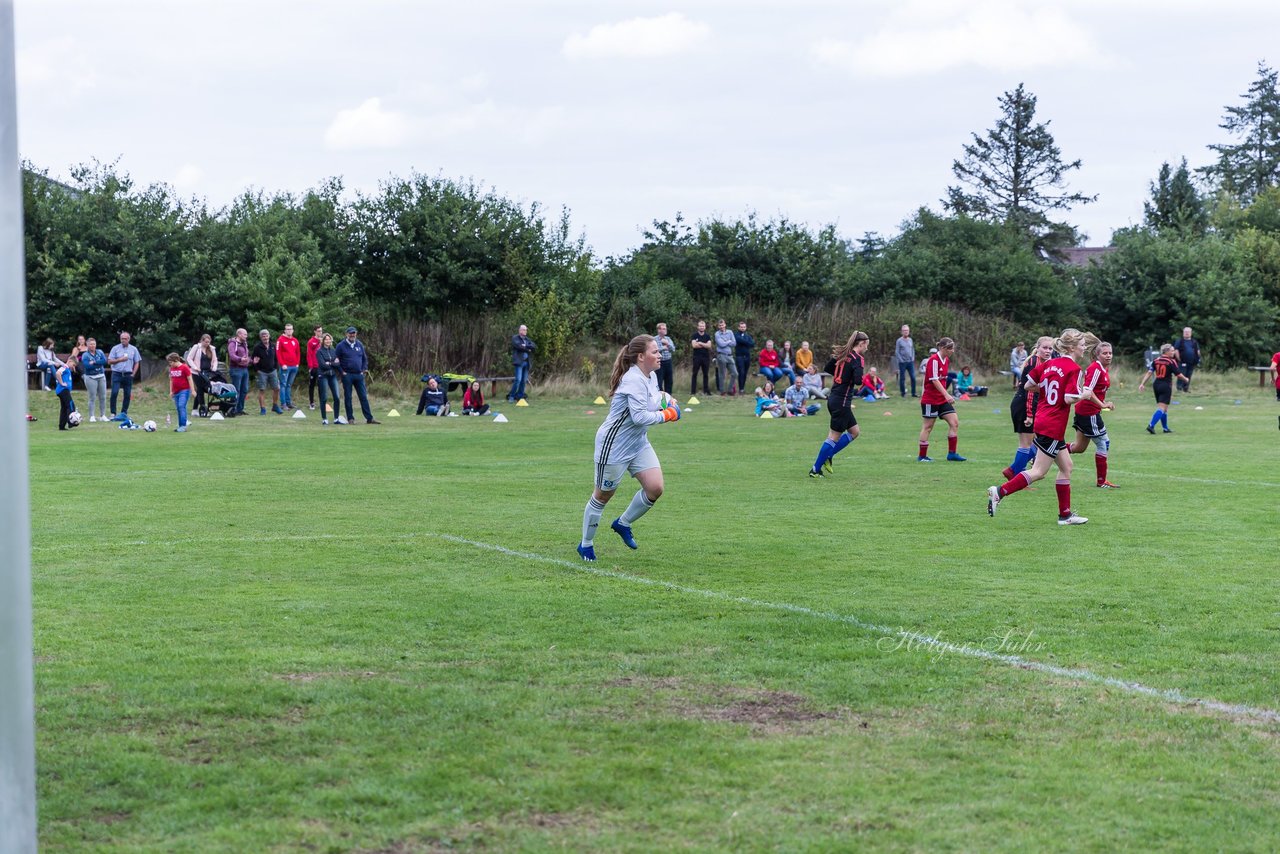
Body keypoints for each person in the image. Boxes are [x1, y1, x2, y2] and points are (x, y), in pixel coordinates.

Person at [577, 334, 681, 562]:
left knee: (655, 488)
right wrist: (668, 414)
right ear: (641, 356)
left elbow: (655, 397)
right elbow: (640, 416)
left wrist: (668, 399)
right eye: (655, 351)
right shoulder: (633, 379)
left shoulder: (651, 375)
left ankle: (622, 523)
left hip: (638, 443)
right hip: (614, 446)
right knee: (603, 496)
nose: (660, 355)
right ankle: (585, 545)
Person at [987, 329, 1104, 526]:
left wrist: (1049, 387)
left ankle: (1065, 515)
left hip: (1044, 420)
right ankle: (999, 492)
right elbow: (1068, 398)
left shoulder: (1049, 363)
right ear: (1073, 347)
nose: (1085, 348)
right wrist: (1084, 394)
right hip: (1052, 424)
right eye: (1082, 345)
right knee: (1039, 471)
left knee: (1066, 467)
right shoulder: (1074, 369)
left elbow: (1028, 385)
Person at [808, 330, 870, 478]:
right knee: (833, 437)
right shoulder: (857, 359)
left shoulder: (843, 355)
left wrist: (842, 375)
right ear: (861, 344)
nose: (867, 348)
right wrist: (858, 373)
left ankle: (828, 456)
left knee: (854, 432)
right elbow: (858, 380)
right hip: (842, 402)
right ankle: (815, 469)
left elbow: (828, 368)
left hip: (834, 398)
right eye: (867, 345)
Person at [1001, 336, 1053, 481]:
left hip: (1027, 405)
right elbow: (1029, 391)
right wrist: (1030, 415)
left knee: (1038, 440)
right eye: (1045, 348)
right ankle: (1015, 474)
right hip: (1024, 405)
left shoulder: (1043, 362)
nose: (1048, 351)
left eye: (1050, 348)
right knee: (1027, 443)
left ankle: (1015, 470)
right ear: (1038, 347)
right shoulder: (1034, 362)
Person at [1068, 341, 1118, 488]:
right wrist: (1102, 404)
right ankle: (1101, 482)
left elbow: (1096, 392)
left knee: (1078, 448)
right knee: (1104, 443)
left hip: (1086, 411)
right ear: (1097, 354)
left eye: (1110, 353)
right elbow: (1087, 390)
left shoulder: (1102, 368)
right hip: (1088, 413)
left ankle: (1046, 450)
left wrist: (1103, 402)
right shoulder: (1096, 368)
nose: (1108, 355)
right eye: (1105, 353)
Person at [917, 337, 965, 462]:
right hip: (930, 400)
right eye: (950, 348)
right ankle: (922, 456)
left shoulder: (946, 360)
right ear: (943, 348)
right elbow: (934, 380)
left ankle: (952, 454)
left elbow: (942, 380)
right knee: (928, 427)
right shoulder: (933, 360)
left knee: (954, 423)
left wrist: (945, 395)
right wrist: (947, 395)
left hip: (941, 400)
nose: (953, 351)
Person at [1138, 344, 1188, 434]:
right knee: (1161, 408)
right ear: (1166, 351)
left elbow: (1149, 373)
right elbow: (1178, 374)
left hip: (1156, 384)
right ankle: (1151, 425)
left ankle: (1165, 428)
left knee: (1164, 408)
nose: (1173, 352)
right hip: (1165, 385)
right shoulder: (1171, 361)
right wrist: (1186, 379)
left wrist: (1142, 384)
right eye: (1172, 351)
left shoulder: (1156, 360)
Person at [336, 326, 380, 424]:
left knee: (363, 396)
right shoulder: (340, 346)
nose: (352, 335)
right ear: (346, 334)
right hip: (347, 375)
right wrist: (342, 371)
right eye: (350, 333)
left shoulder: (359, 344)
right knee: (348, 397)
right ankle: (350, 418)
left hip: (358, 375)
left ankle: (369, 418)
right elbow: (336, 361)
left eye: (354, 333)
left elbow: (364, 358)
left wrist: (364, 369)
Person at [107, 331, 141, 420]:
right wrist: (120, 359)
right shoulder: (115, 348)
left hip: (128, 374)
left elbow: (137, 362)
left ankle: (124, 413)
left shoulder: (134, 349)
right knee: (114, 393)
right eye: (122, 338)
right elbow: (109, 361)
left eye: (125, 339)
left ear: (129, 339)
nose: (123, 340)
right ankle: (113, 413)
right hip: (116, 374)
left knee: (127, 394)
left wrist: (133, 373)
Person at [185, 334, 220, 418]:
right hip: (197, 372)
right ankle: (203, 407)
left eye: (209, 342)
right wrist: (195, 367)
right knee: (200, 388)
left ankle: (194, 409)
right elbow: (189, 358)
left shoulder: (212, 349)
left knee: (202, 389)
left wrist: (214, 368)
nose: (207, 343)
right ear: (202, 340)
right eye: (206, 342)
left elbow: (215, 360)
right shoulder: (196, 347)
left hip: (207, 372)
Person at [251, 329, 283, 415]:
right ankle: (263, 409)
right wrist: (257, 370)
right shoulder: (257, 347)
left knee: (277, 388)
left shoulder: (273, 346)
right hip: (262, 372)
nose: (265, 337)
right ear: (261, 337)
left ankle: (275, 406)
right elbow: (254, 360)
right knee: (262, 390)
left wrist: (276, 368)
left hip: (273, 371)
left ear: (269, 336)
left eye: (266, 335)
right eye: (263, 336)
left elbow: (276, 358)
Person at [314, 333, 341, 424]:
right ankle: (324, 419)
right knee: (324, 398)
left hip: (332, 375)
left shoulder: (334, 350)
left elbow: (338, 363)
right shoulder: (319, 351)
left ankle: (336, 419)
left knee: (337, 397)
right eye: (326, 339)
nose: (328, 341)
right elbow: (322, 365)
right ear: (323, 341)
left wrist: (329, 363)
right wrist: (332, 363)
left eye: (329, 339)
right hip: (323, 376)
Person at [79, 337, 108, 422]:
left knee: (103, 397)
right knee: (92, 397)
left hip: (101, 376)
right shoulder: (85, 355)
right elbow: (87, 366)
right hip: (90, 377)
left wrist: (95, 362)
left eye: (94, 344)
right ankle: (92, 416)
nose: (92, 346)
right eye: (91, 344)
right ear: (87, 345)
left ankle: (103, 415)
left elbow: (104, 361)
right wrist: (98, 364)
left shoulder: (100, 352)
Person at [166, 352, 194, 433]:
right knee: (178, 408)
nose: (170, 364)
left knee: (181, 406)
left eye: (171, 362)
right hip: (176, 392)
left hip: (184, 391)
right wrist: (171, 391)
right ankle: (180, 426)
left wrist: (193, 390)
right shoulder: (172, 369)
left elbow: (190, 379)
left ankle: (183, 426)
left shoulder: (184, 368)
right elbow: (171, 380)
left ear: (176, 360)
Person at [508, 324, 536, 402]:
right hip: (519, 362)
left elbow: (534, 346)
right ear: (520, 330)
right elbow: (518, 346)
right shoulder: (515, 338)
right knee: (518, 380)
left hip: (526, 363)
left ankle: (520, 397)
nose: (525, 331)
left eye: (526, 330)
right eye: (523, 330)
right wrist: (528, 349)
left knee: (524, 381)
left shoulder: (527, 339)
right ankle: (511, 396)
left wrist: (526, 346)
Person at [277, 323, 301, 410]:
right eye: (287, 329)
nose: (289, 331)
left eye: (290, 329)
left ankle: (289, 402)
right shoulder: (280, 340)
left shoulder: (295, 340)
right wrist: (282, 364)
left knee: (289, 385)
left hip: (294, 366)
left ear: (293, 330)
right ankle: (283, 404)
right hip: (285, 367)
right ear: (285, 330)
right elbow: (278, 353)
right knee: (283, 384)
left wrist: (297, 363)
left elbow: (298, 352)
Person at [227, 328, 251, 415]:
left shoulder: (244, 344)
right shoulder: (232, 344)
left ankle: (240, 409)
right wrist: (240, 359)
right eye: (245, 334)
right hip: (236, 369)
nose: (246, 336)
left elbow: (246, 356)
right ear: (239, 334)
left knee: (244, 389)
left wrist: (251, 361)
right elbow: (232, 355)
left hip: (245, 369)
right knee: (236, 389)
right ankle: (233, 408)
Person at [713, 319, 737, 395]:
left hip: (730, 356)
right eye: (720, 325)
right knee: (722, 374)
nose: (721, 327)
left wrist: (725, 341)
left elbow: (734, 343)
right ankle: (722, 391)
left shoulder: (730, 332)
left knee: (735, 373)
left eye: (722, 325)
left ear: (725, 325)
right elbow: (721, 344)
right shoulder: (717, 334)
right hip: (721, 355)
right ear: (718, 326)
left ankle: (730, 390)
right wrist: (728, 341)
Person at [1173, 326, 1201, 392]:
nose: (1186, 333)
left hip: (1192, 362)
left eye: (1188, 332)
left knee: (1189, 375)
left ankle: (1186, 389)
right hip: (1182, 362)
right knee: (1181, 375)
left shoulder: (1194, 342)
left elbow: (1198, 351)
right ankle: (1179, 388)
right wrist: (1179, 359)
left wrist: (1198, 358)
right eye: (1185, 332)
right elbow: (1176, 350)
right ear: (1183, 333)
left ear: (1191, 333)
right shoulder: (1179, 341)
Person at [689, 320, 712, 395]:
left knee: (706, 374)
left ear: (705, 327)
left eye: (703, 326)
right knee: (694, 374)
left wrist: (700, 343)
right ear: (698, 327)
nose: (702, 327)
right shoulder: (694, 335)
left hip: (705, 357)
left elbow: (709, 346)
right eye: (700, 326)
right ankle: (693, 391)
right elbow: (694, 346)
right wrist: (704, 345)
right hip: (697, 357)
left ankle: (706, 391)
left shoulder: (707, 336)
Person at [654, 322, 676, 395]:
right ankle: (660, 398)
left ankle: (668, 397)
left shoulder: (668, 339)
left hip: (668, 362)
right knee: (659, 381)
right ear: (659, 330)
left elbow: (673, 349)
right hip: (659, 362)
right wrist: (663, 348)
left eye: (665, 329)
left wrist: (667, 343)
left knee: (669, 381)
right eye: (663, 329)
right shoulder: (654, 339)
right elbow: (654, 350)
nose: (665, 330)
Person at [895, 324, 917, 398]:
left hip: (910, 362)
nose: (906, 332)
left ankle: (913, 393)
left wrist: (913, 357)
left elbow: (912, 349)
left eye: (907, 330)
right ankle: (903, 393)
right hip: (902, 363)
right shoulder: (899, 341)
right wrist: (901, 360)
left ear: (909, 331)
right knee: (902, 378)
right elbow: (897, 352)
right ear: (902, 332)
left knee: (913, 377)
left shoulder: (910, 340)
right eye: (904, 331)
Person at [54, 358, 76, 430]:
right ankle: (71, 422)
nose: (74, 367)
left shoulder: (68, 369)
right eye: (73, 365)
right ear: (69, 361)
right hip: (63, 390)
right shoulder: (65, 367)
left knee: (64, 408)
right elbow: (57, 373)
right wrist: (61, 383)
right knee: (71, 405)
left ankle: (62, 426)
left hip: (63, 390)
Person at [733, 321, 755, 393]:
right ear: (738, 327)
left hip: (747, 357)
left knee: (745, 373)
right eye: (741, 327)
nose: (743, 328)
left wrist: (745, 342)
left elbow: (752, 344)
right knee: (741, 372)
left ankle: (742, 388)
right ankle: (741, 389)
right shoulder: (736, 335)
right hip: (740, 357)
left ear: (746, 328)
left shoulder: (747, 336)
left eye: (744, 327)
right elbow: (739, 340)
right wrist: (747, 342)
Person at [306, 325, 324, 410]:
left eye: (321, 331)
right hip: (314, 366)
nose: (320, 332)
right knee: (312, 385)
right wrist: (310, 366)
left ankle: (322, 402)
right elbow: (309, 354)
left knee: (322, 385)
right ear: (315, 331)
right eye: (318, 331)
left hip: (322, 366)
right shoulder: (311, 341)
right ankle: (311, 403)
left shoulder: (324, 341)